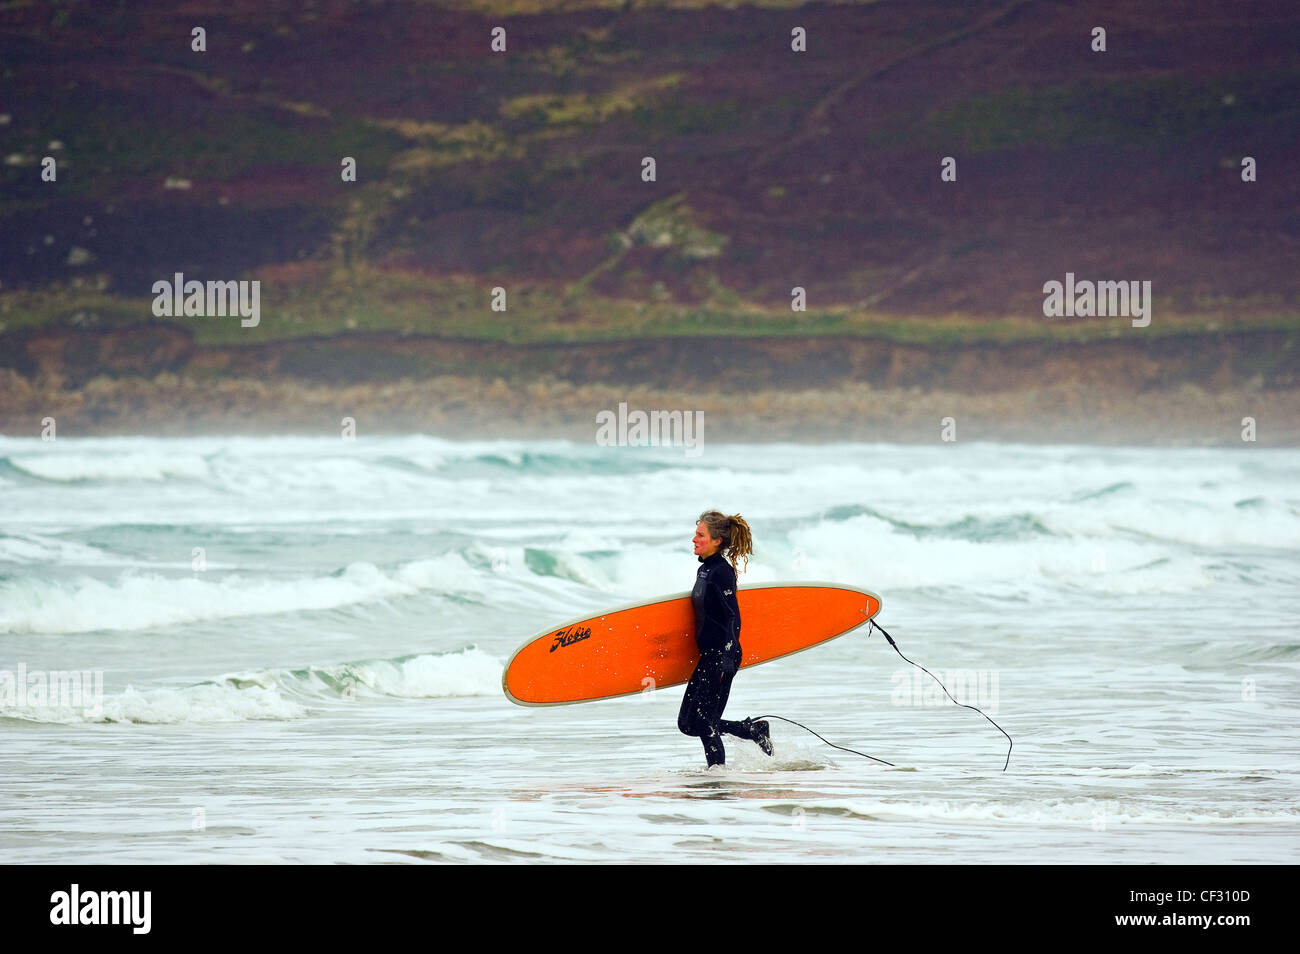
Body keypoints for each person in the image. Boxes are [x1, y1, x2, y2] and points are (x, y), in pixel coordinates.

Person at [677, 509, 773, 767]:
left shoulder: (721, 572)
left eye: (700, 535)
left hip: (722, 655)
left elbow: (733, 617)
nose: (694, 539)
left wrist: (728, 654)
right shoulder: (705, 570)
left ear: (717, 541)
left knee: (704, 723)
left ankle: (717, 779)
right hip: (709, 655)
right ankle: (750, 730)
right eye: (695, 534)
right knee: (687, 723)